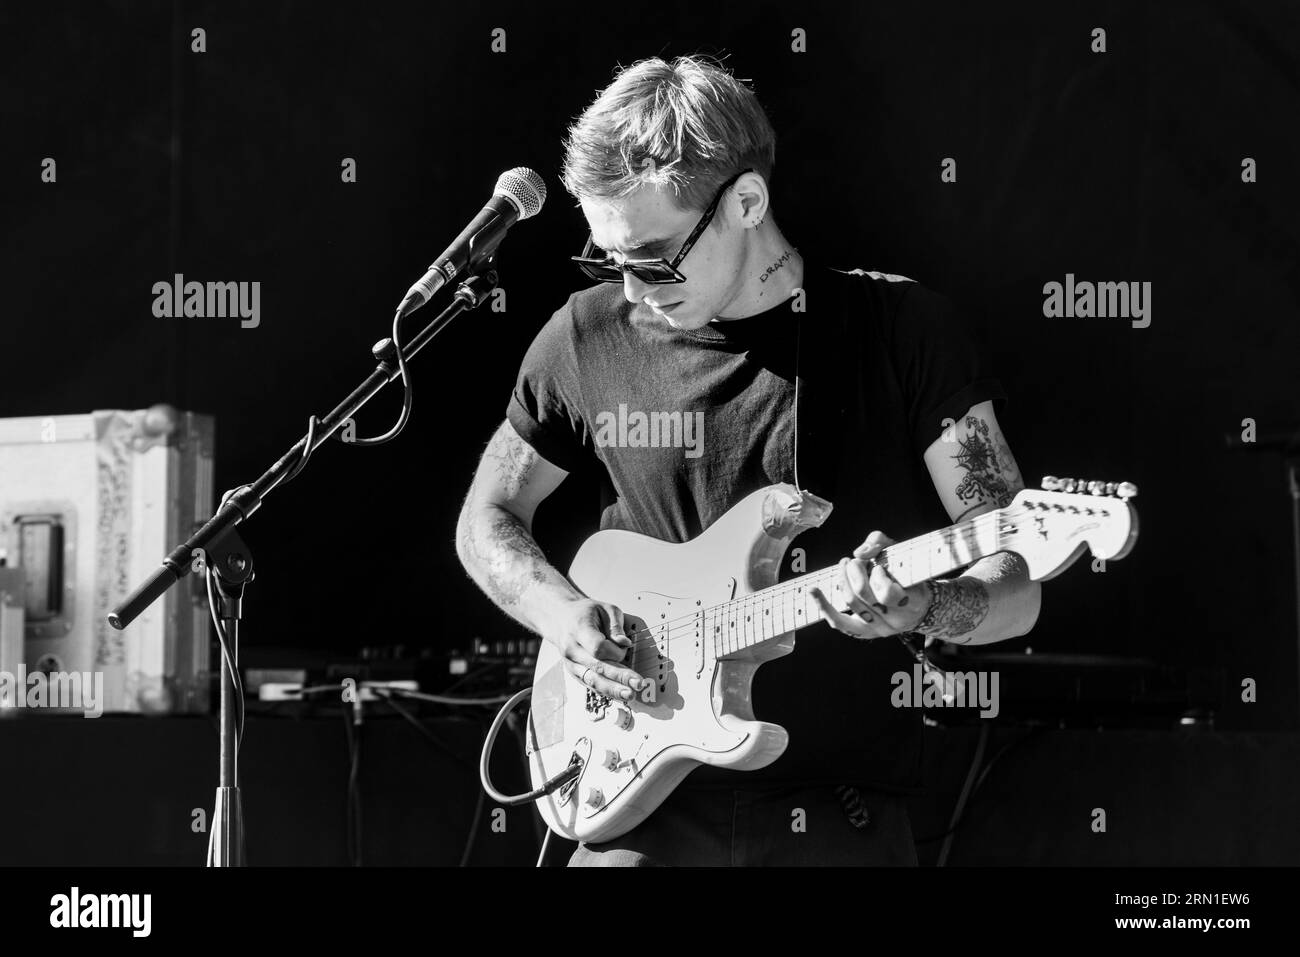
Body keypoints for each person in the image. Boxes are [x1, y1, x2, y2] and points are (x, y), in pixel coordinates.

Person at [455, 55, 1041, 866]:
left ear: (747, 202)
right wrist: (561, 614)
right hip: (635, 817)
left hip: (840, 818)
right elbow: (487, 517)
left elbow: (1016, 580)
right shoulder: (584, 337)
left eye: (653, 257)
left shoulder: (901, 331)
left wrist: (927, 605)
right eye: (608, 260)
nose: (630, 289)